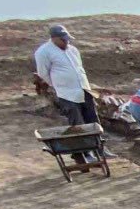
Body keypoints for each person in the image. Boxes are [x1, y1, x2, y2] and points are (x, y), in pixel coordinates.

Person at [34, 23, 103, 164]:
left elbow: (79, 68)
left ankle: (100, 149)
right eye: (63, 40)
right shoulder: (43, 52)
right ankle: (84, 154)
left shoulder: (73, 50)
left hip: (84, 89)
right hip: (67, 94)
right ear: (54, 38)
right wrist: (59, 85)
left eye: (67, 39)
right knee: (77, 125)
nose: (66, 42)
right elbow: (43, 73)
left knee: (93, 121)